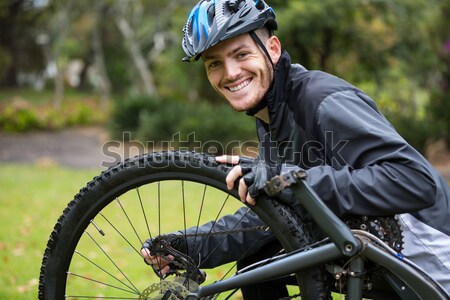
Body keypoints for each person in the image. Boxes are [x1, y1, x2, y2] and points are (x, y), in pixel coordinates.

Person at [142, 0, 450, 298]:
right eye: (215, 63)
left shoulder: (322, 101)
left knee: (263, 260)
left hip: (435, 269)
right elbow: (274, 215)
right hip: (387, 262)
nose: (231, 73)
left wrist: (290, 179)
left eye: (241, 54)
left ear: (272, 50)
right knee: (258, 262)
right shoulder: (273, 114)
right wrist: (191, 245)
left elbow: (415, 182)